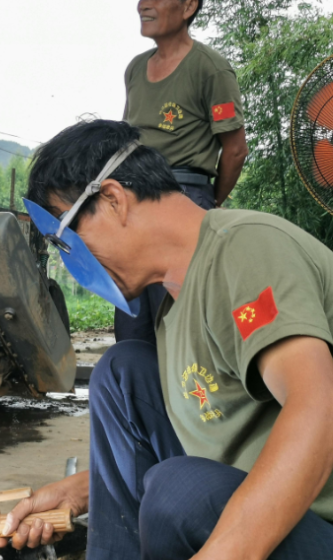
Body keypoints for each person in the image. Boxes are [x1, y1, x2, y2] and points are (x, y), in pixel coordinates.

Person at [4, 120, 333, 560]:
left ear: (112, 199)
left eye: (68, 239)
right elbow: (215, 448)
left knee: (178, 492)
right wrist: (76, 494)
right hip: (298, 525)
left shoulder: (245, 249)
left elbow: (323, 409)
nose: (72, 261)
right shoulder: (175, 304)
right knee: (123, 373)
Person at [116, 0, 249, 344]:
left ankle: (188, 396)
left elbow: (235, 150)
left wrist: (208, 203)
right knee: (133, 325)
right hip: (132, 204)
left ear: (188, 6)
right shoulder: (134, 69)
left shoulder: (211, 70)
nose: (142, 5)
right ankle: (139, 396)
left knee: (179, 324)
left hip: (184, 198)